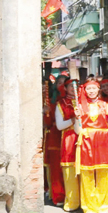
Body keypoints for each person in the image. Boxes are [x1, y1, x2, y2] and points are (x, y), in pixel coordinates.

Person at [76, 78, 108, 213]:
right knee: (87, 174)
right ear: (84, 91)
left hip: (103, 140)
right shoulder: (80, 106)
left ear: (98, 90)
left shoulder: (106, 105)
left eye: (94, 88)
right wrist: (76, 118)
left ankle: (104, 204)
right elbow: (77, 130)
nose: (91, 91)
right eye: (88, 89)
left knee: (103, 173)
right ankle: (89, 205)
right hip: (87, 140)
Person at [44, 76, 67, 206]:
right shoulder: (51, 103)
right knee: (56, 170)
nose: (61, 86)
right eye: (59, 83)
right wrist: (46, 114)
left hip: (71, 138)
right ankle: (58, 196)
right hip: (55, 138)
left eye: (64, 84)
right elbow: (48, 124)